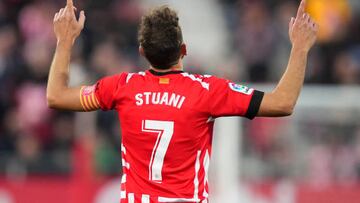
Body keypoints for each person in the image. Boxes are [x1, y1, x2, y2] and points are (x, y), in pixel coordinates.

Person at [47, 0, 318, 202]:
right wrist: (300, 48)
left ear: (142, 52)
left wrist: (65, 40)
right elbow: (283, 102)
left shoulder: (121, 87)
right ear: (183, 49)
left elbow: (56, 96)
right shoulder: (207, 91)